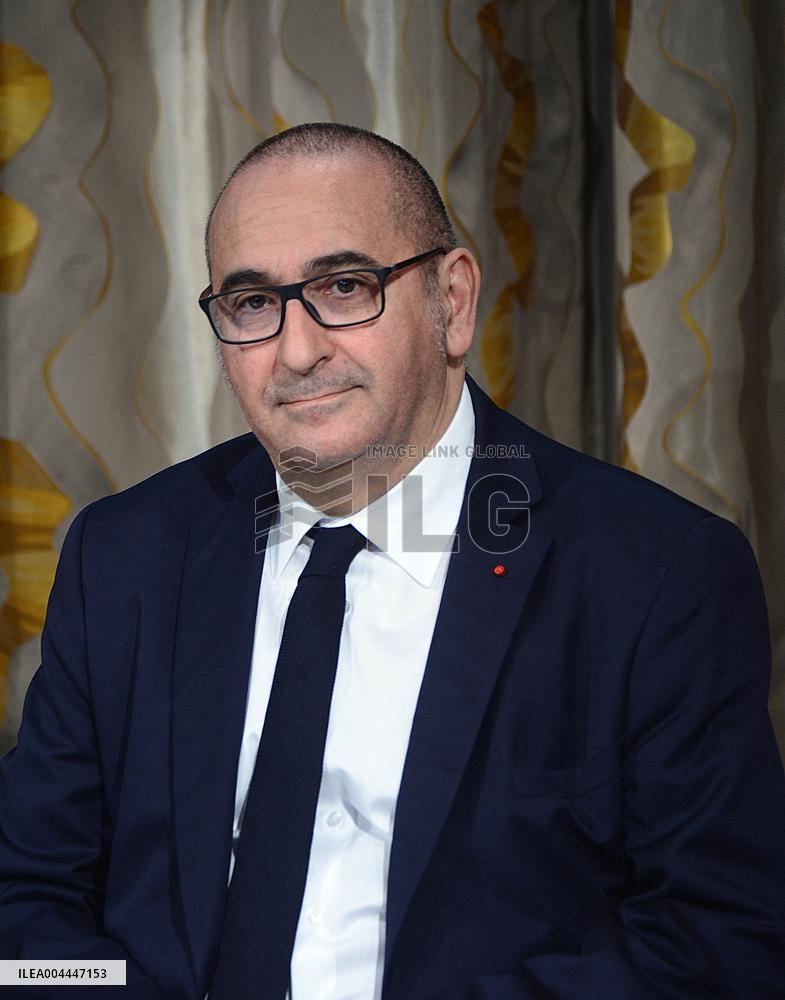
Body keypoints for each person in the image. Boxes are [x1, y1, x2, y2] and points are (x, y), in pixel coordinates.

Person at [1, 122, 784, 1000]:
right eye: (252, 303)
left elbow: (714, 944)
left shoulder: (652, 572)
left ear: (451, 302)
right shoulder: (127, 556)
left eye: (344, 287)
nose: (297, 351)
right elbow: (26, 911)